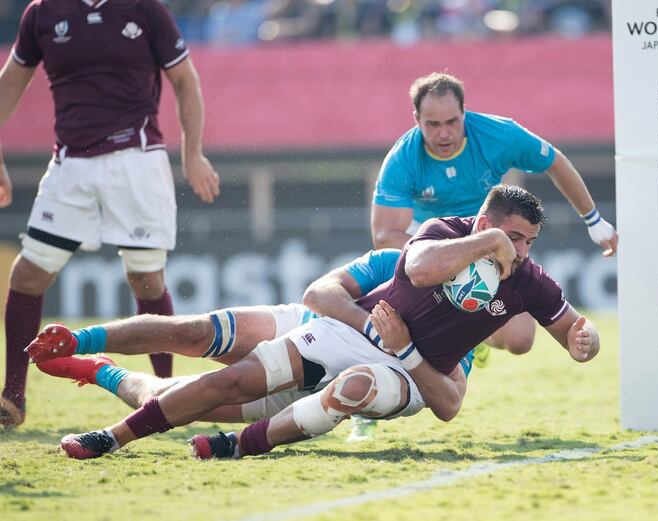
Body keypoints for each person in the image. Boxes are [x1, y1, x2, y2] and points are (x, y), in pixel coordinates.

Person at [50, 185, 600, 460]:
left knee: (351, 388)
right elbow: (327, 292)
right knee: (207, 370)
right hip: (338, 325)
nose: (521, 252)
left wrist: (585, 338)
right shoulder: (423, 241)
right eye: (515, 238)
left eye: (529, 242)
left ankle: (241, 443)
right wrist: (373, 327)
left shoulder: (526, 281)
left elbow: (570, 337)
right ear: (481, 224)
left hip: (403, 366)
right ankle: (105, 403)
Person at [357, 71, 617, 441]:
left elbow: (554, 161)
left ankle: (473, 335)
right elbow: (385, 235)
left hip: (491, 251)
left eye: (451, 122)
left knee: (521, 341)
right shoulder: (403, 158)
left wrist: (593, 220)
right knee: (383, 322)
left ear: (466, 114)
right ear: (416, 121)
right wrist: (441, 265)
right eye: (432, 125)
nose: (443, 133)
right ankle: (359, 405)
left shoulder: (498, 135)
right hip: (430, 253)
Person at [0, 0, 220, 427]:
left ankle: (165, 397)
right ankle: (11, 399)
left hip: (136, 162)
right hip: (70, 167)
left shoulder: (143, 9)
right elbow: (11, 82)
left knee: (146, 279)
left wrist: (192, 155)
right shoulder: (42, 13)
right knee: (27, 275)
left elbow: (185, 81)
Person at [32, 249, 475, 425]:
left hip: (322, 388)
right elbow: (318, 293)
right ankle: (78, 340)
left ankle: (101, 373)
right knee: (194, 331)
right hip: (312, 328)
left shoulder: (469, 314)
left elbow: (446, 392)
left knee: (166, 397)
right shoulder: (398, 261)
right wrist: (372, 330)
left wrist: (402, 349)